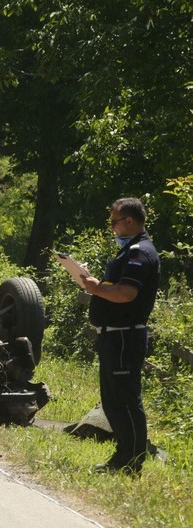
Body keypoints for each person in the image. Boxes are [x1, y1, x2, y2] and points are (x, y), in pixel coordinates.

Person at [81, 197, 160, 475]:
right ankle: (124, 455)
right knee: (113, 399)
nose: (112, 228)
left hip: (125, 337)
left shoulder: (140, 252)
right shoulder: (129, 252)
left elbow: (127, 293)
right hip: (114, 336)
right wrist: (96, 284)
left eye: (115, 222)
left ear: (129, 221)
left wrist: (95, 288)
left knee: (125, 399)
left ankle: (131, 460)